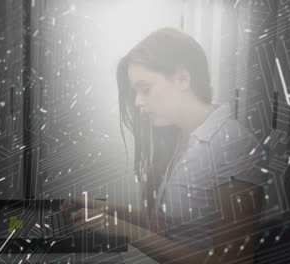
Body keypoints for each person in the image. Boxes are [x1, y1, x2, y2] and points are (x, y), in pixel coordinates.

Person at [62, 27, 268, 263]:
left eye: (145, 89)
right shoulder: (182, 137)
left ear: (182, 79)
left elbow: (233, 261)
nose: (138, 102)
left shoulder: (232, 145)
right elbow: (169, 222)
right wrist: (104, 211)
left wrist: (127, 230)